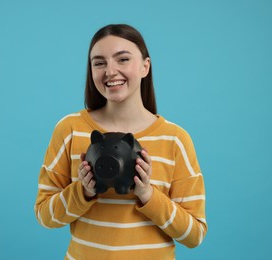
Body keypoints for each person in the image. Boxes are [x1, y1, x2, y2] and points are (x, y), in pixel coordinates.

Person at [34, 24, 207, 259]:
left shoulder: (175, 139)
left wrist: (147, 194)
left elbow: (194, 235)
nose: (110, 71)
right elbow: (45, 216)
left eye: (122, 59)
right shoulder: (70, 129)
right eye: (99, 63)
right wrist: (83, 192)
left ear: (145, 66)